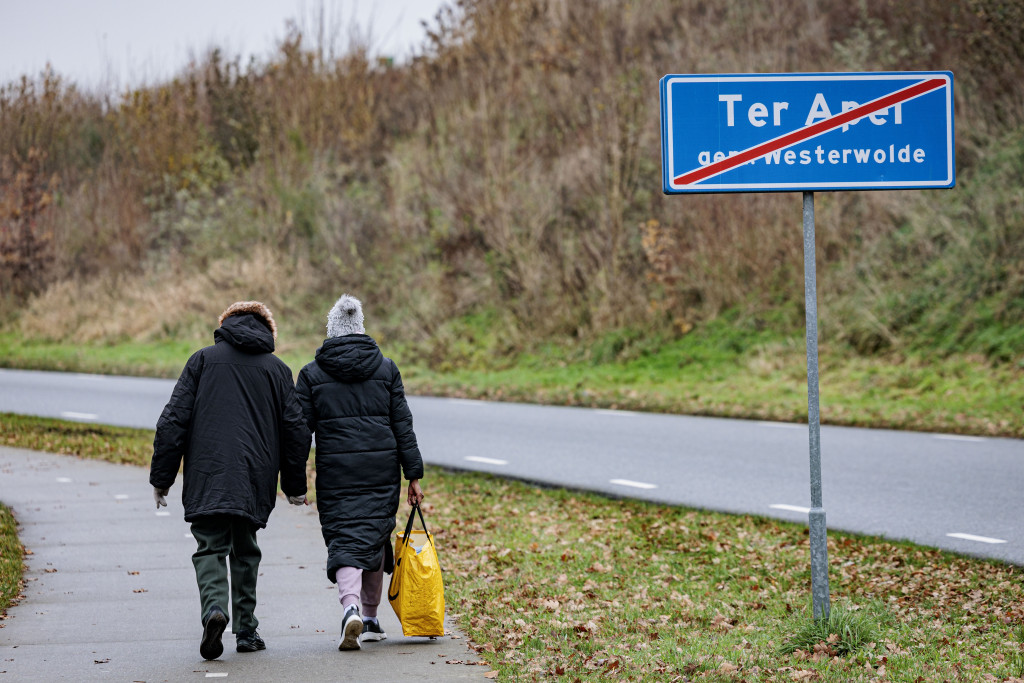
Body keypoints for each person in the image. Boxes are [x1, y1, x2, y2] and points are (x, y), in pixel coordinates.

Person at [150, 301, 311, 660]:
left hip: (207, 474)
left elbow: (173, 420)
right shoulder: (278, 370)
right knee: (245, 550)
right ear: (268, 331)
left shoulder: (202, 361)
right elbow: (296, 430)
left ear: (226, 324)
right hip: (254, 475)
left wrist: (162, 478)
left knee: (210, 547)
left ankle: (213, 611)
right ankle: (247, 630)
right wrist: (295, 486)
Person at [295, 293, 425, 651]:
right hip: (381, 471)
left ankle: (350, 606)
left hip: (337, 472)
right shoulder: (386, 369)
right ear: (361, 328)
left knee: (345, 538)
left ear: (331, 329)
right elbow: (403, 425)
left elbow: (298, 432)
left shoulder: (311, 374)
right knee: (374, 535)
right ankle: (369, 617)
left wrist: (293, 479)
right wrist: (413, 476)